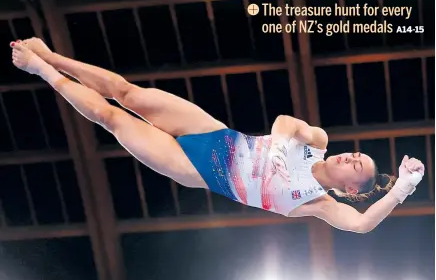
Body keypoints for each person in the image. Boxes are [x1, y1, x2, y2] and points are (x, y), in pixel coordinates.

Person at [10, 38, 425, 233]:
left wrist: (401, 190)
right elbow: (285, 121)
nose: (347, 157)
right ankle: (50, 54)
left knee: (111, 118)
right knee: (128, 94)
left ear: (352, 189)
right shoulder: (317, 142)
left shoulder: (318, 205)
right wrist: (281, 151)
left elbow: (363, 225)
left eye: (354, 165)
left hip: (197, 169)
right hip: (214, 134)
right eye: (353, 153)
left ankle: (40, 70)